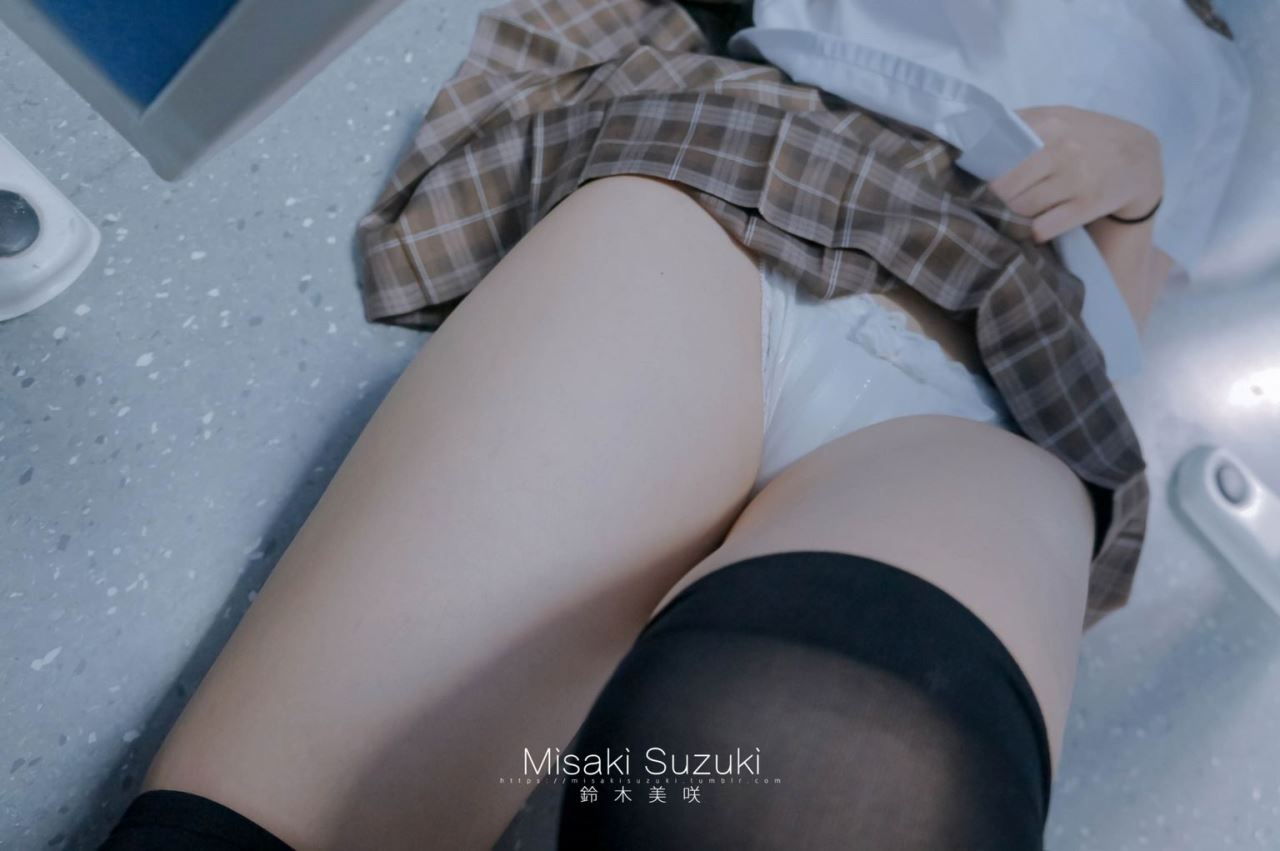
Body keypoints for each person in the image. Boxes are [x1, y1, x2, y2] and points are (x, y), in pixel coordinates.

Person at [98, 1, 1224, 848]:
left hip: (998, 378)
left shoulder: (1227, 77)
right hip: (750, 175)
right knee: (278, 813)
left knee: (845, 768)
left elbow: (1116, 336)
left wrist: (1139, 194)